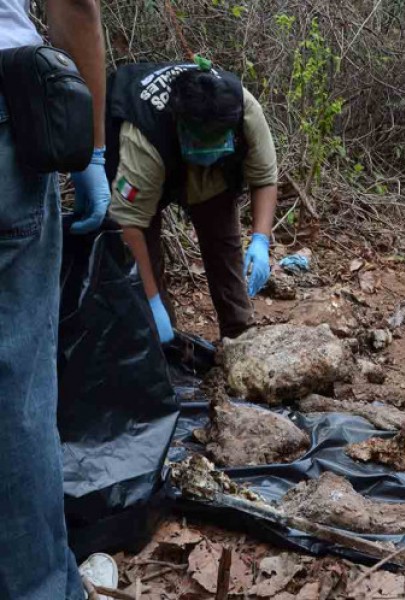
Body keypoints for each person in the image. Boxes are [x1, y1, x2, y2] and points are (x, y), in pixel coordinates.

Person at [0, 0, 118, 598]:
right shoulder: (154, 125)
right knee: (14, 383)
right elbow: (73, 3)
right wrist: (92, 153)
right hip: (6, 116)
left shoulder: (245, 128)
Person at [106, 61, 279, 343]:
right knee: (144, 257)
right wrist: (152, 304)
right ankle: (164, 342)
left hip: (214, 173)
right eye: (202, 141)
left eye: (217, 139)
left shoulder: (244, 109)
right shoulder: (143, 138)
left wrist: (261, 240)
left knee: (223, 242)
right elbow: (129, 224)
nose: (208, 147)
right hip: (149, 159)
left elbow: (265, 178)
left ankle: (239, 333)